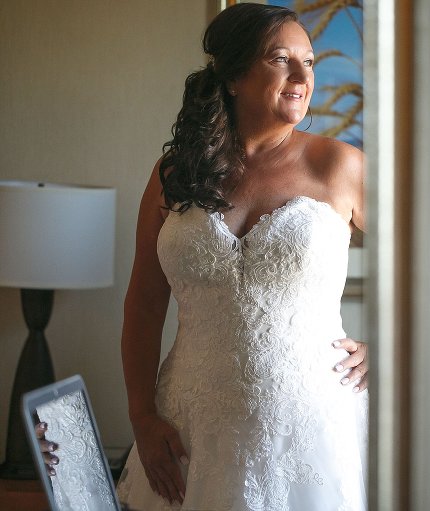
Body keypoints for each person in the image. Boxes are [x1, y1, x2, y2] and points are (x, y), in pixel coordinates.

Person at [116, 4, 368, 510]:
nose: (302, 76)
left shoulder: (338, 165)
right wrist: (142, 417)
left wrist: (391, 348)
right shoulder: (174, 173)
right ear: (234, 76)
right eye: (281, 60)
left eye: (310, 62)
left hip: (312, 431)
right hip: (190, 431)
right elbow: (144, 303)